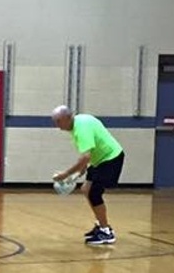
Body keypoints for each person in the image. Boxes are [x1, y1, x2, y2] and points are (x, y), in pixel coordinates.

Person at [51, 105, 125, 246]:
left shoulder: (81, 129)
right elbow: (89, 151)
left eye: (58, 122)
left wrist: (65, 174)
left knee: (94, 193)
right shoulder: (78, 123)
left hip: (110, 159)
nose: (58, 126)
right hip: (99, 160)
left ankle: (106, 232)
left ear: (68, 118)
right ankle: (101, 224)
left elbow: (85, 157)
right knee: (86, 189)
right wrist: (81, 170)